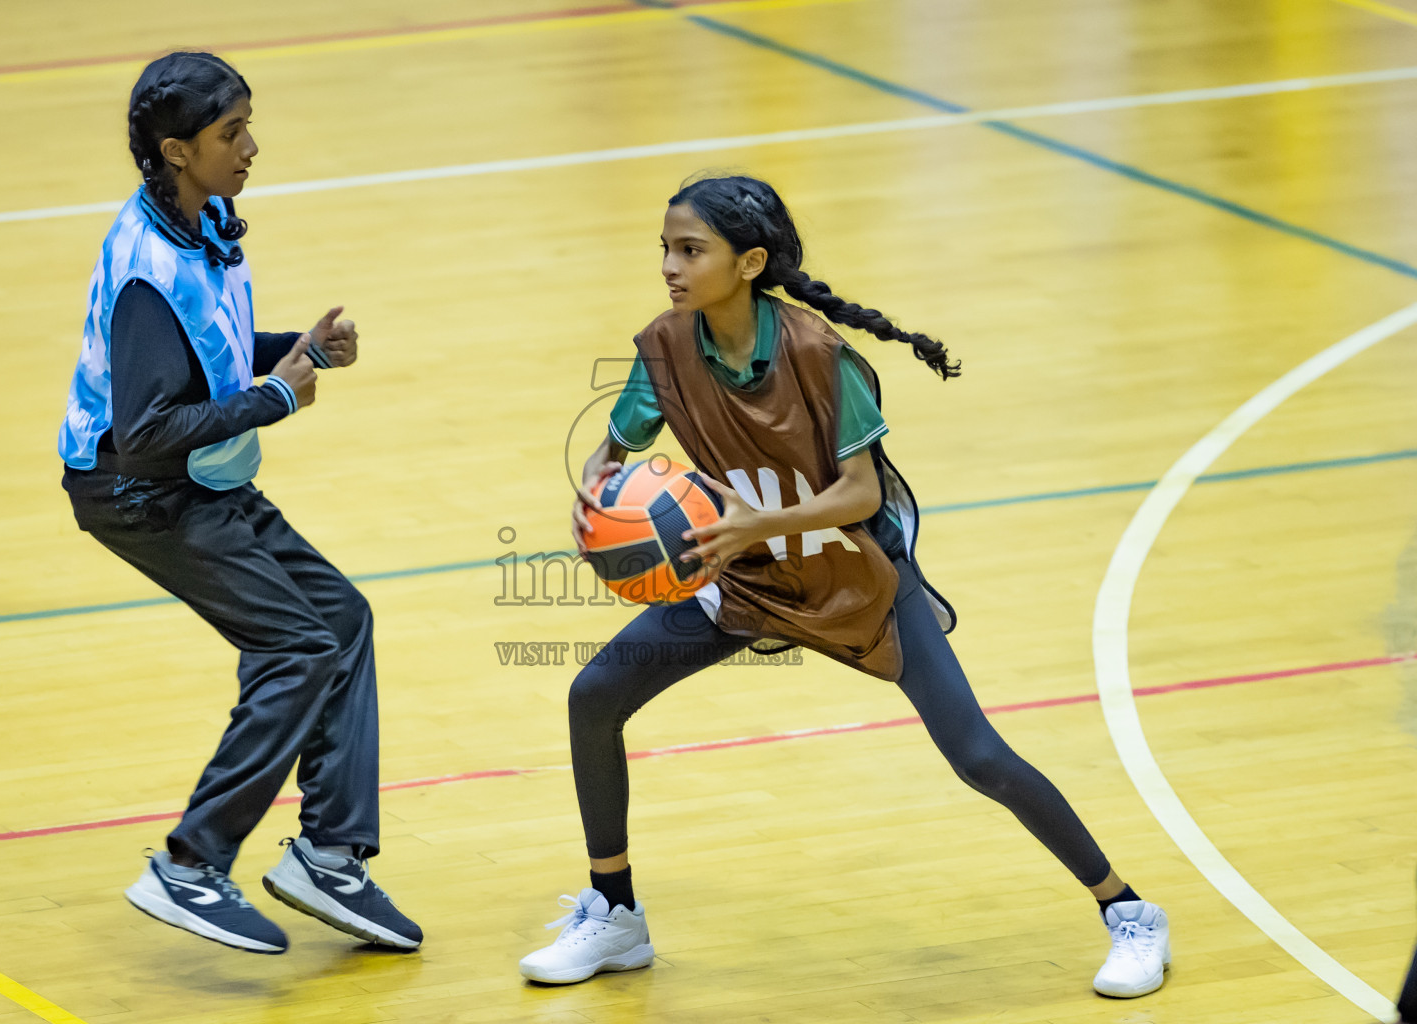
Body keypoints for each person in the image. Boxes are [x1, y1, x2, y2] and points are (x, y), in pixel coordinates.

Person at [518, 174, 1169, 996]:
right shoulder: (665, 347)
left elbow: (862, 493)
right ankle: (615, 916)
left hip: (857, 579)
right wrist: (599, 504)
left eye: (691, 250)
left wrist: (752, 526)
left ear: (750, 262)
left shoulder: (817, 355)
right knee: (595, 695)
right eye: (665, 250)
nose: (671, 267)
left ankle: (1130, 914)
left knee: (978, 757)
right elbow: (609, 458)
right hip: (748, 578)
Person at [57, 51, 420, 955]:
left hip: (200, 475)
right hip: (138, 488)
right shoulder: (147, 266)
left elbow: (203, 353)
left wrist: (292, 348)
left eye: (249, 123)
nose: (251, 146)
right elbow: (145, 427)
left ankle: (329, 856)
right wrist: (281, 394)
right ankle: (189, 864)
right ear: (177, 150)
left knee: (340, 619)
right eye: (231, 133)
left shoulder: (202, 217)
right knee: (295, 645)